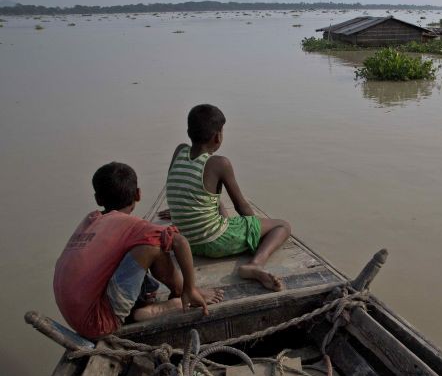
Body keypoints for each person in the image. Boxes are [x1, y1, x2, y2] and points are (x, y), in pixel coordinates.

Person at [53, 162, 224, 339]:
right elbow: (180, 242)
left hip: (73, 315)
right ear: (138, 194)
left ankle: (138, 310)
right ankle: (181, 293)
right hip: (99, 322)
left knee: (139, 244)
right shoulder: (134, 226)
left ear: (98, 199)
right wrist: (191, 287)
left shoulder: (91, 219)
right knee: (153, 244)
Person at [163, 104, 290, 291]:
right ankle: (255, 264)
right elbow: (242, 208)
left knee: (217, 202)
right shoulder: (219, 163)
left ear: (189, 132)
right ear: (217, 137)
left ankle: (229, 230)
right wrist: (254, 229)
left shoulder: (179, 151)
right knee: (282, 226)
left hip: (186, 242)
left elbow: (186, 188)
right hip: (212, 242)